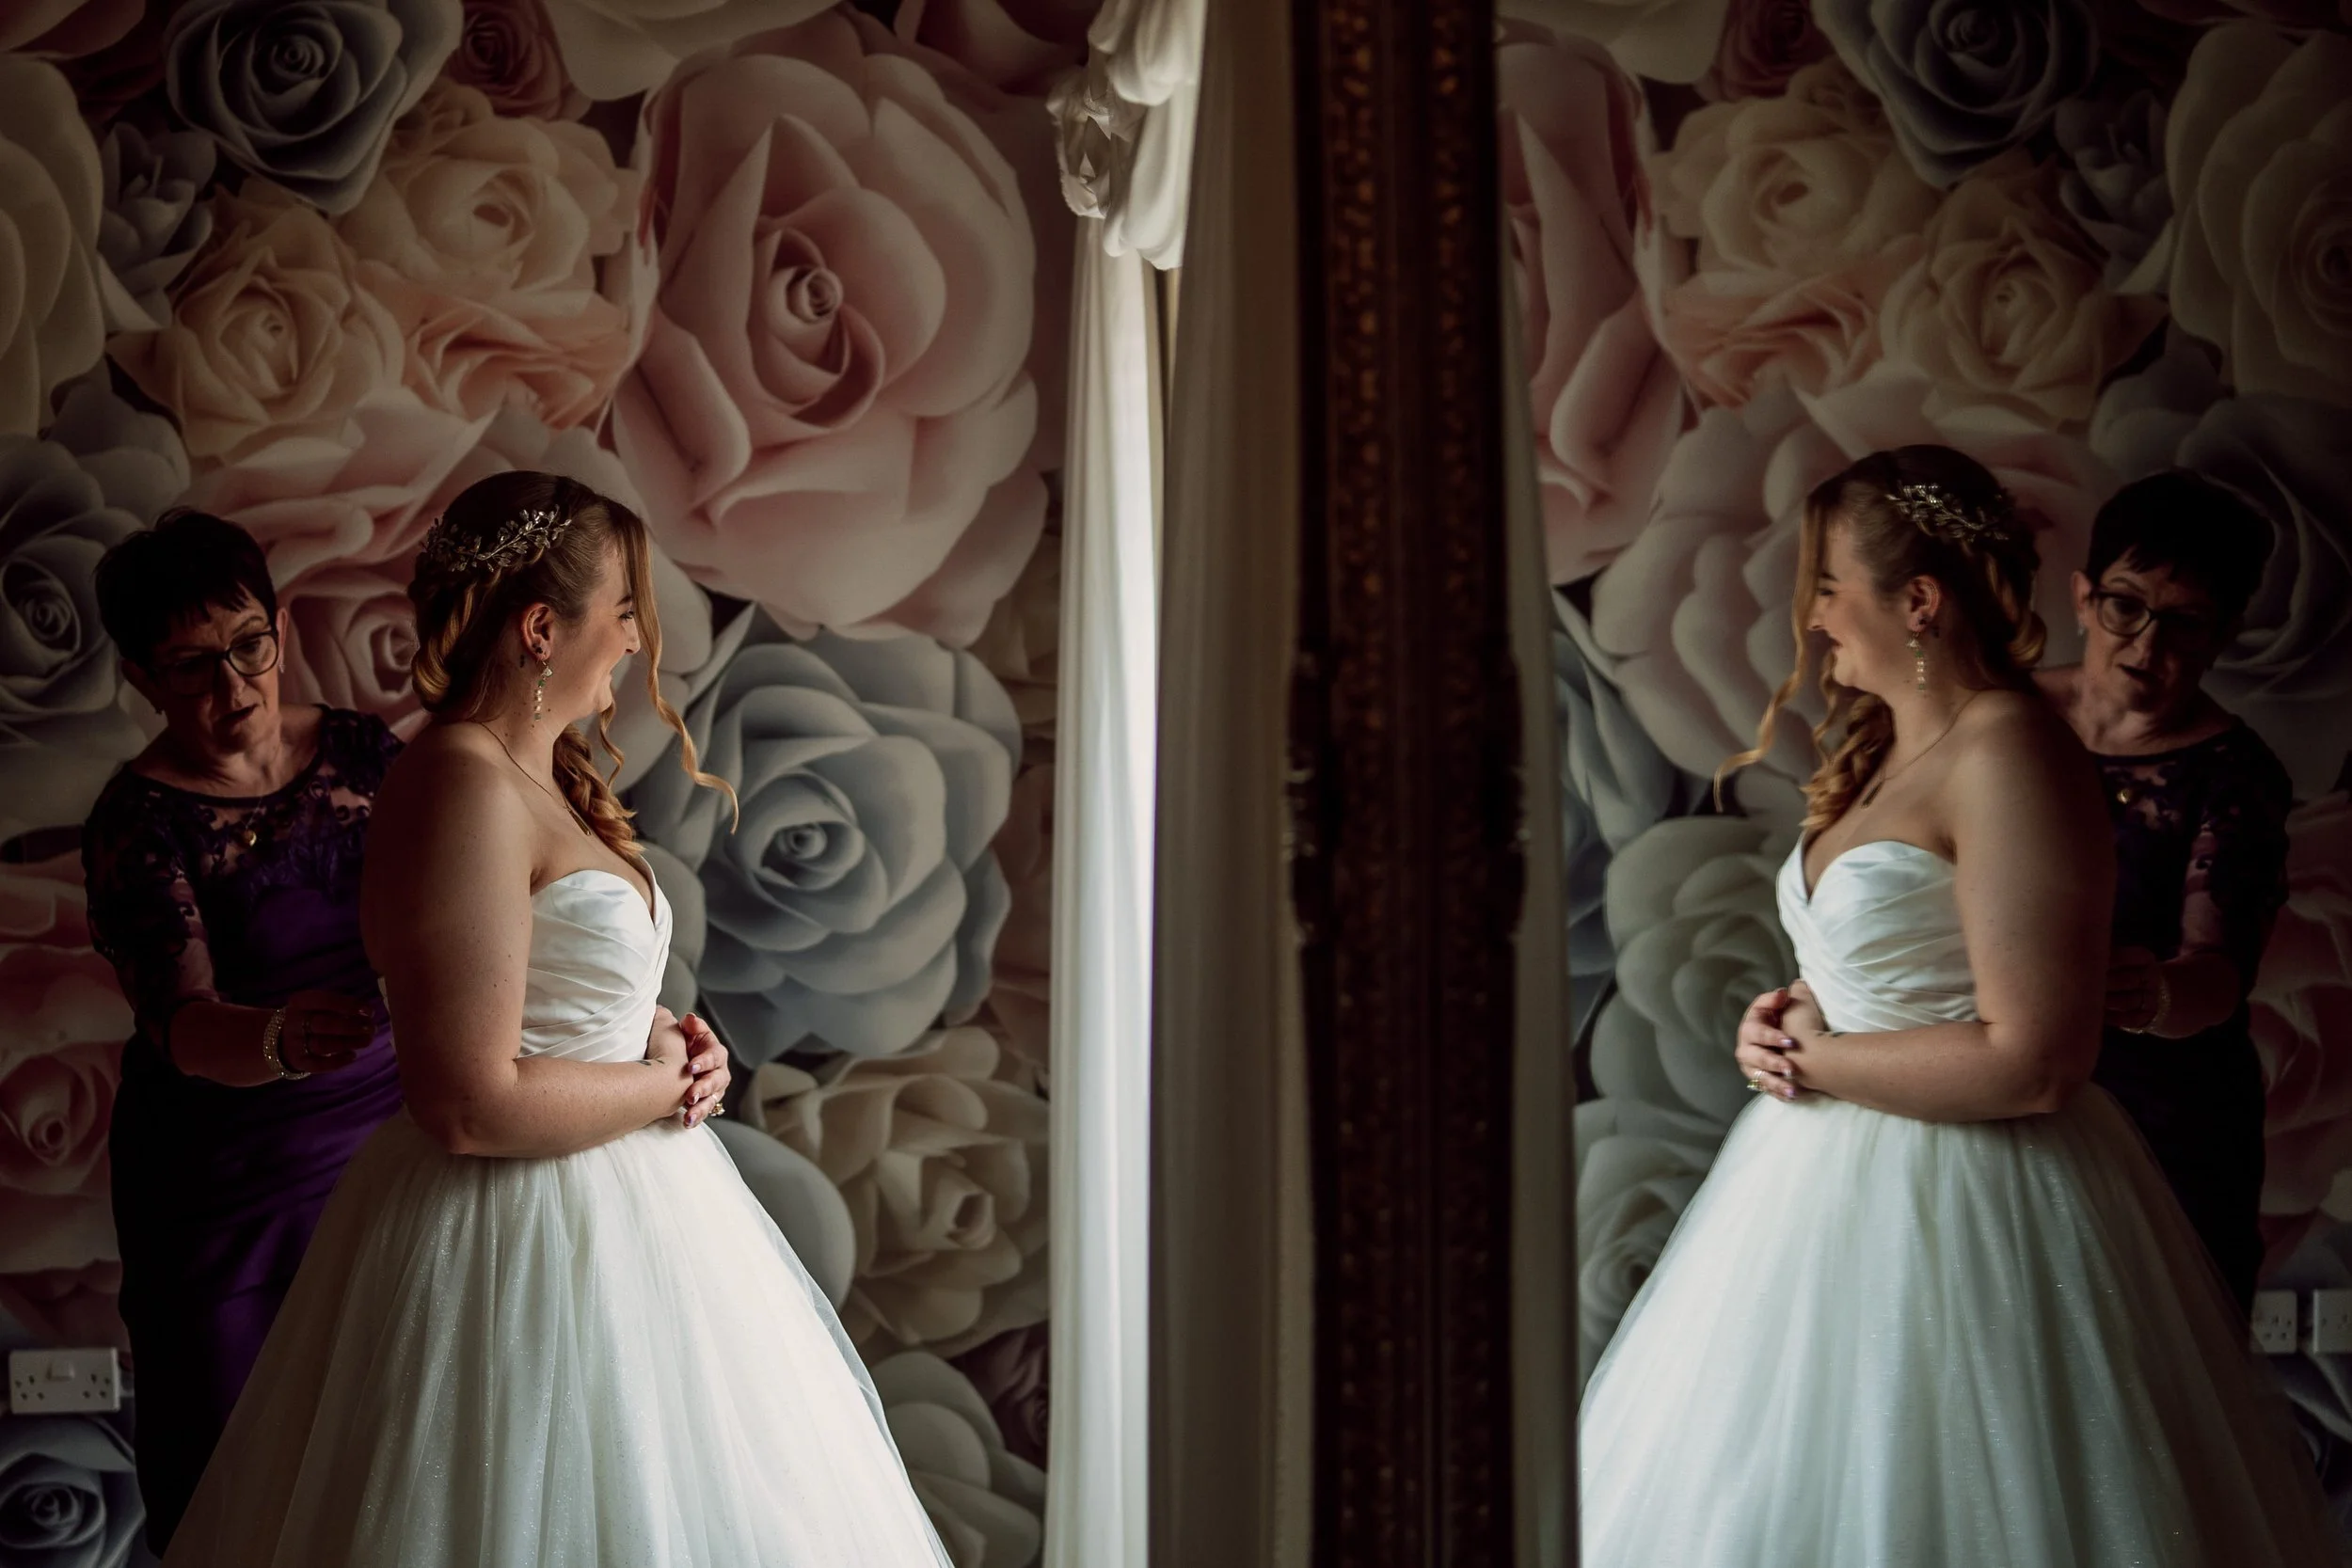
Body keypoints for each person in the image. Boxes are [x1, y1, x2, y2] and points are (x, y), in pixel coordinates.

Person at [161, 473, 948, 1567]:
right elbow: (468, 1101)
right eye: (624, 608)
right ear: (543, 627)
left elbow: (547, 985)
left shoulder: (536, 777)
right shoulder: (461, 782)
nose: (633, 638)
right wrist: (664, 1079)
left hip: (633, 1215)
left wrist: (668, 1031)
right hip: (513, 1235)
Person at [1578, 449, 2334, 1564]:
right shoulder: (1913, 735)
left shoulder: (2015, 751)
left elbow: (2034, 1060)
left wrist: (1825, 1060)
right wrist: (1780, 1022)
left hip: (1985, 1178)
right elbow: (1885, 947)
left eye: (1827, 583)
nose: (1816, 615)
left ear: (1917, 600)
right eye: (2123, 606)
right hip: (1814, 1181)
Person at [84, 510, 408, 1553]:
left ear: (277, 624)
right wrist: (276, 1041)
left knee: (393, 1439)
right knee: (234, 1461)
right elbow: (182, 1022)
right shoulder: (137, 820)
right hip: (222, 1181)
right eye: (188, 668)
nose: (231, 689)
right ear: (141, 676)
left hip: (390, 1146)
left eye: (247, 647)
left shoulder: (366, 753)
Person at [2036, 471, 2291, 1317]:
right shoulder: (1999, 719)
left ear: (2219, 637)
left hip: (2163, 1118)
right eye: (2126, 606)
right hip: (1994, 1084)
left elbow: (2219, 973)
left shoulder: (2236, 775)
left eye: (2184, 623)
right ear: (2082, 596)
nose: (2147, 646)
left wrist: (2158, 993)